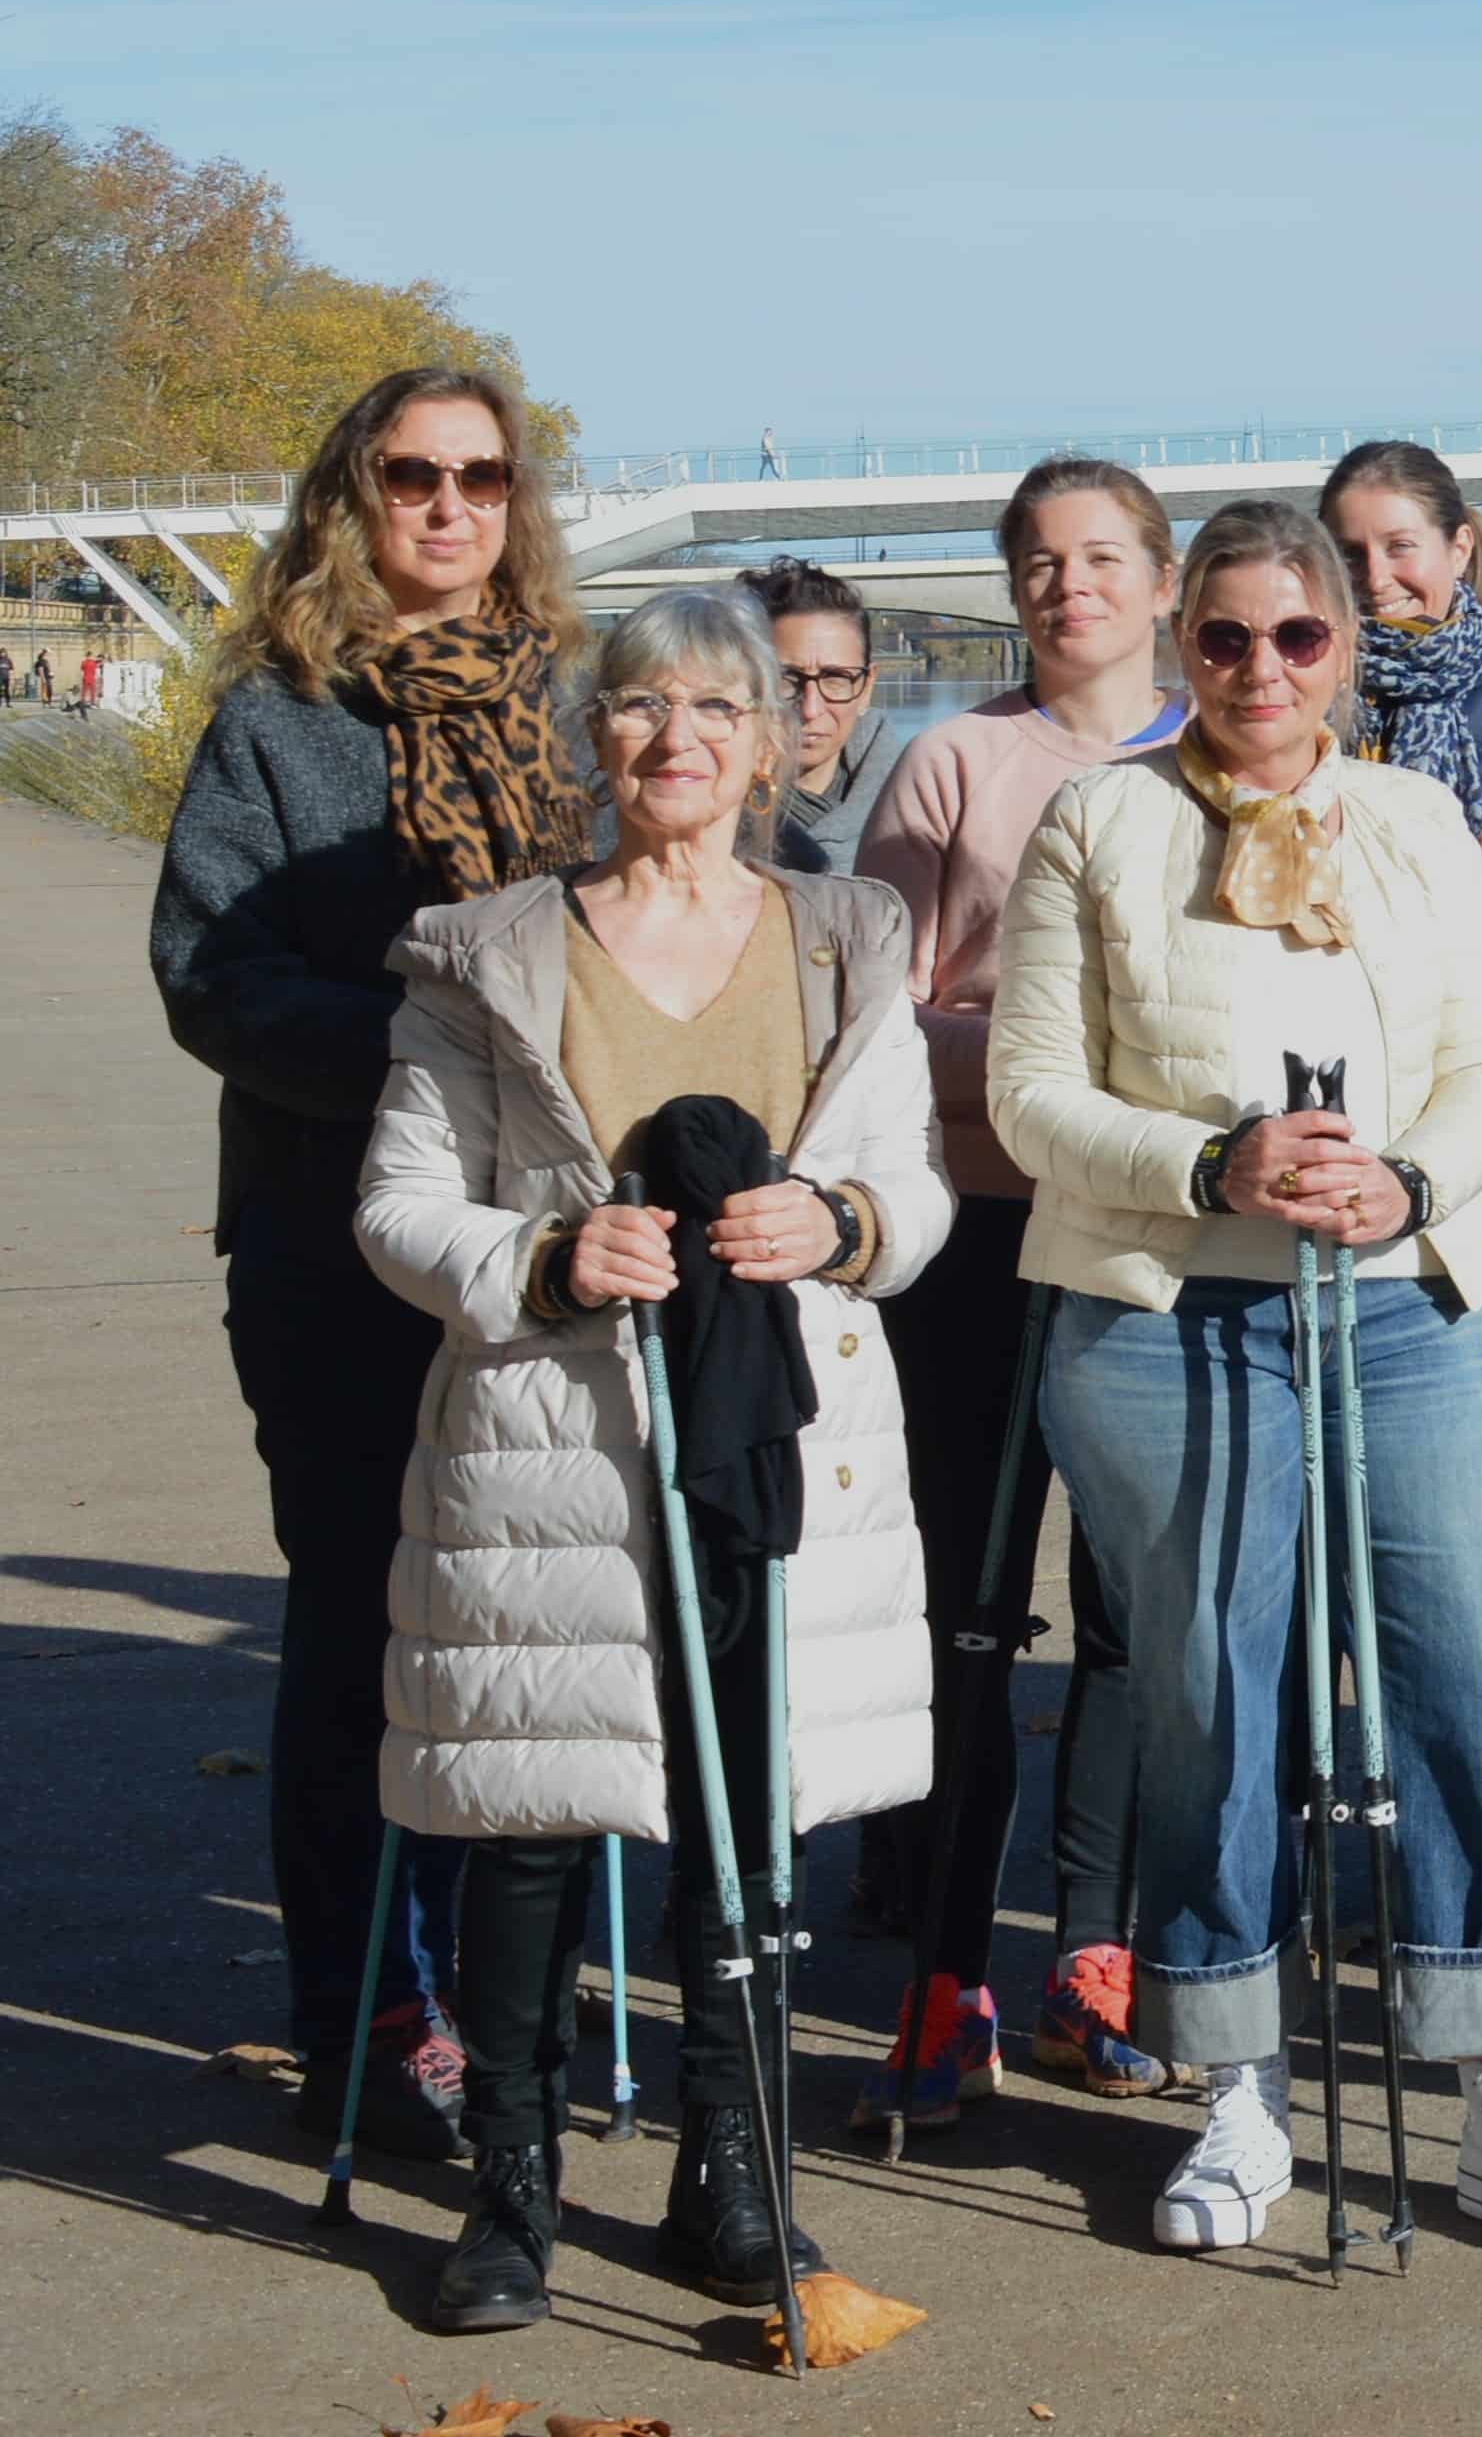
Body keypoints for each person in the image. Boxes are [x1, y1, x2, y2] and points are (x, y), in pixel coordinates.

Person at [989, 497, 1482, 2258]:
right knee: (1211, 1698)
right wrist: (1215, 1165)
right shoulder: (1098, 820)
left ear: (1344, 647)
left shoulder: (1416, 817)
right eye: (1222, 637)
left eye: (1298, 637)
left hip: (1403, 1310)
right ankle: (1233, 2089)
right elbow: (1034, 1091)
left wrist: (1409, 1179)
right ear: (1181, 642)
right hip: (1162, 1314)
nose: (1260, 671)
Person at [359, 588, 955, 2333]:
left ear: (773, 740)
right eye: (636, 706)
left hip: (781, 1440)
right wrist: (543, 1259)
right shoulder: (485, 951)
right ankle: (514, 2197)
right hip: (553, 1444)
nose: (674, 736)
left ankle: (736, 2179)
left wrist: (836, 1217)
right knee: (538, 1816)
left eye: (713, 705)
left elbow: (912, 1195)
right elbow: (399, 1206)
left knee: (744, 1813)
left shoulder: (852, 933)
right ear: (591, 739)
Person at [152, 364, 585, 2167]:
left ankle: (515, 2007)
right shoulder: (277, 721)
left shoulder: (583, 709)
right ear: (353, 495)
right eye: (411, 474)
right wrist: (437, 1044)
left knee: (530, 1627)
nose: (447, 507)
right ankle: (362, 2010)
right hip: (333, 1243)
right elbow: (213, 980)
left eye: (481, 478)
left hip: (549, 1245)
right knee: (357, 1629)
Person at [844, 456, 1186, 2126]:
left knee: (1128, 1617)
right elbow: (879, 1020)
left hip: (1150, 1251)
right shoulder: (952, 763)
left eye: (1102, 557)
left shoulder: (1217, 756)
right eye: (1039, 562)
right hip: (981, 1235)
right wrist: (1067, 1075)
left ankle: (1095, 1958)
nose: (1071, 587)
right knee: (970, 1602)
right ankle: (944, 1970)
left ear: (1162, 581)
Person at [1320, 438, 1482, 1375]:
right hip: (1310, 1110)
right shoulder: (1293, 719)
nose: (1376, 577)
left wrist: (1418, 978)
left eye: (1400, 546)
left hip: (1472, 1119)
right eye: (1349, 554)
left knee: (1452, 1378)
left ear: (1458, 548)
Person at [743, 556, 916, 881]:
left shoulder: (920, 810)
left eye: (835, 678)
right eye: (786, 680)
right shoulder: (699, 815)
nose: (810, 709)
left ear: (866, 688)